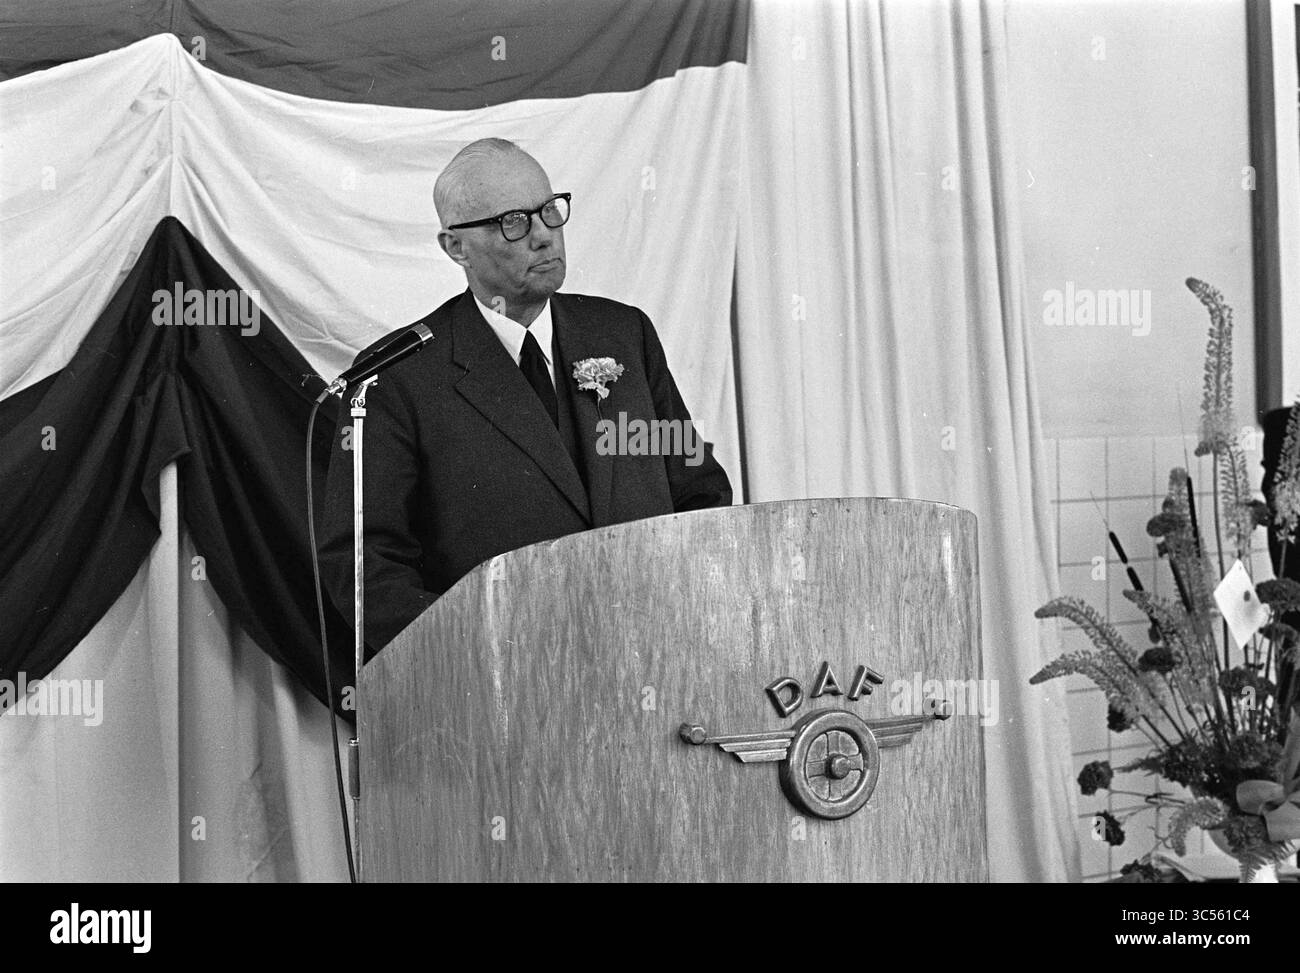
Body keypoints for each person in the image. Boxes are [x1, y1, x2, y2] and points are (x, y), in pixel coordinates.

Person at [320, 138, 732, 653]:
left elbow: (699, 494)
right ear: (455, 247)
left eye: (549, 211)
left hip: (654, 660)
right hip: (499, 687)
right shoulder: (394, 378)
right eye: (513, 221)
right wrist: (488, 649)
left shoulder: (624, 334)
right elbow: (363, 571)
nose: (542, 236)